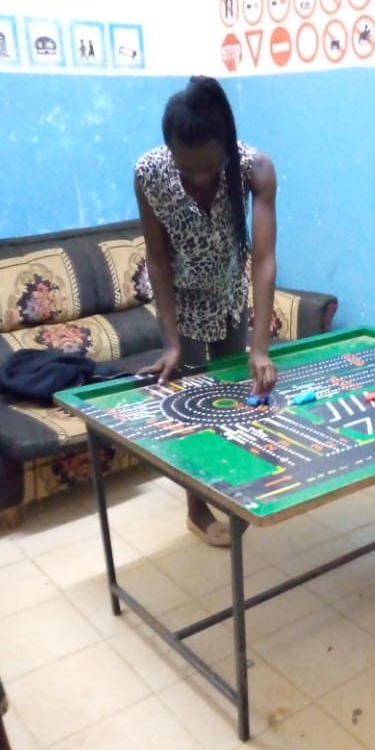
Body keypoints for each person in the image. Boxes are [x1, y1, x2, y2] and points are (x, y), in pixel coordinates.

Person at [135, 75, 278, 546]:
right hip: (181, 303)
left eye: (208, 168)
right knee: (191, 413)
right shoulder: (150, 173)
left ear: (226, 145)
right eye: (187, 168)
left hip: (229, 297)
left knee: (235, 400)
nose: (199, 178)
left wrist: (260, 346)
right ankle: (197, 509)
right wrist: (171, 342)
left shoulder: (255, 168)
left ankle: (233, 490)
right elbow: (157, 259)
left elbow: (263, 259)